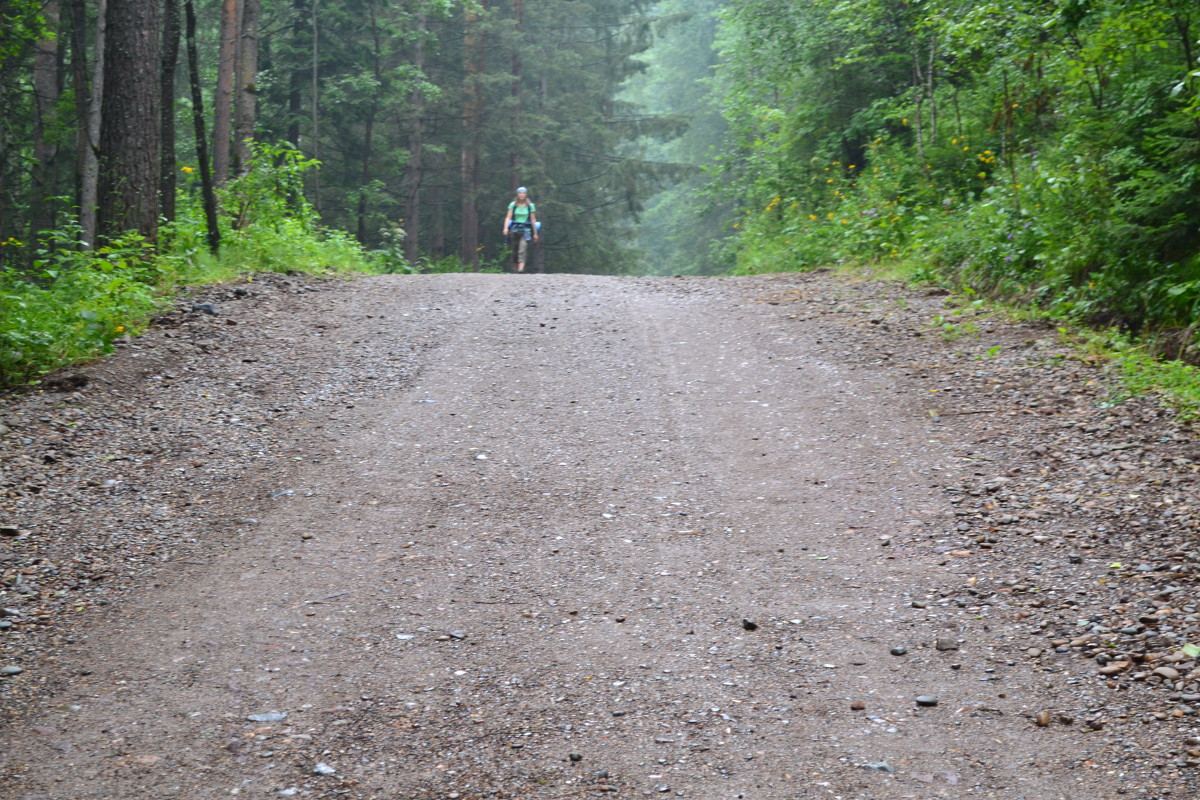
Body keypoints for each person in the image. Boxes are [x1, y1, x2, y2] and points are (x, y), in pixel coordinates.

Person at [503, 187, 539, 273]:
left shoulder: (530, 206)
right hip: (515, 230)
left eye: (523, 193)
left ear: (526, 194)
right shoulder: (513, 205)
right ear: (517, 194)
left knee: (522, 249)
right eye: (520, 193)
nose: (521, 194)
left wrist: (535, 233)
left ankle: (521, 269)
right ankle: (517, 269)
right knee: (515, 251)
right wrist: (505, 228)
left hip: (526, 230)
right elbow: (508, 217)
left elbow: (533, 219)